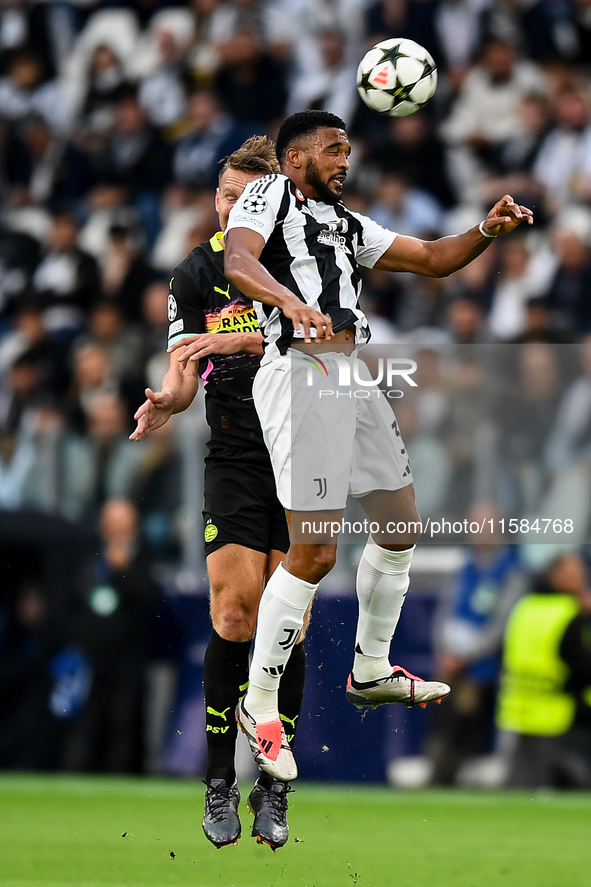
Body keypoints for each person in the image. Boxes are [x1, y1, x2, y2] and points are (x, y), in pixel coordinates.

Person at [222, 109, 533, 782]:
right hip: (298, 370)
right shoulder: (271, 191)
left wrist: (484, 229)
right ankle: (261, 705)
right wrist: (288, 300)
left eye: (349, 150)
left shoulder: (345, 223)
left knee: (398, 525)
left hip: (350, 372)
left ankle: (369, 667)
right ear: (297, 157)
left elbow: (429, 259)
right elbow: (238, 256)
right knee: (314, 551)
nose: (344, 160)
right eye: (333, 149)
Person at [130, 137, 305, 851]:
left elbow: (307, 338)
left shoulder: (296, 262)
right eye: (224, 195)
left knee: (282, 622)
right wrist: (169, 400)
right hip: (234, 450)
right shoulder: (195, 272)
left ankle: (275, 787)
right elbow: (182, 368)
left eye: (246, 198)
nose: (231, 206)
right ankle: (215, 779)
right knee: (235, 612)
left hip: (301, 448)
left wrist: (233, 344)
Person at [497, 551, 591, 788]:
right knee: (561, 784)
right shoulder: (569, 612)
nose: (580, 578)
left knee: (521, 784)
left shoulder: (525, 606)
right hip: (559, 711)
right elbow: (581, 665)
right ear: (554, 576)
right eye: (574, 573)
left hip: (519, 708)